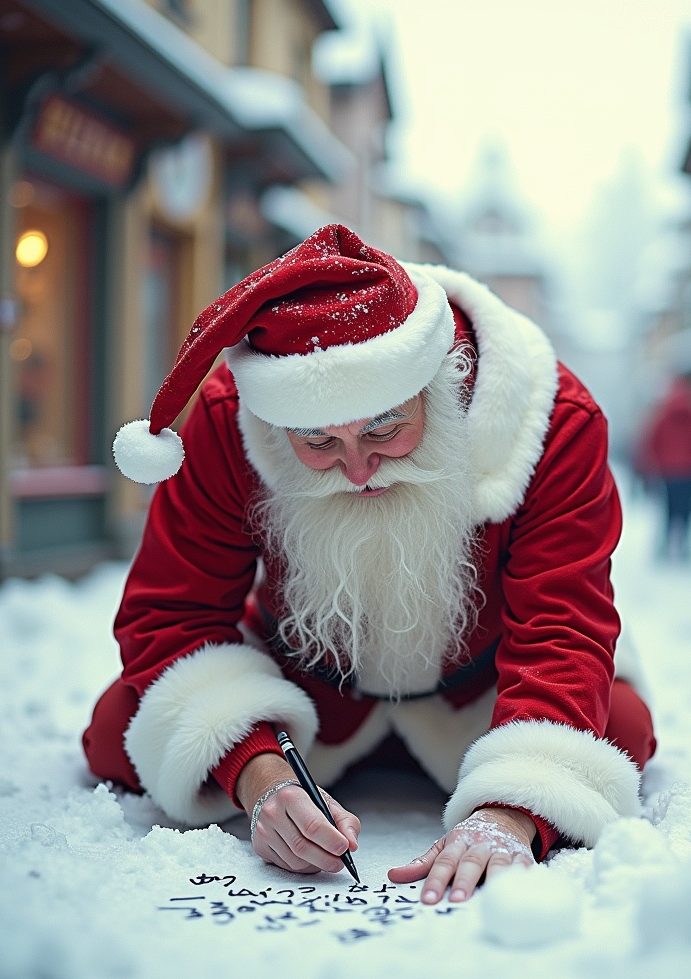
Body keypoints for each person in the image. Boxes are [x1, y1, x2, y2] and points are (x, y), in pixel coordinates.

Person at [84, 224, 656, 905]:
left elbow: (561, 626)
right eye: (318, 441)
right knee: (117, 731)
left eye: (385, 428)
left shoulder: (553, 421)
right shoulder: (228, 419)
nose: (357, 469)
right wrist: (258, 772)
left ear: (445, 380)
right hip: (306, 687)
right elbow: (172, 612)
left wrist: (512, 809)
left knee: (620, 727)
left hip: (484, 692)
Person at [640, 377, 691, 560]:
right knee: (688, 509)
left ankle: (665, 546)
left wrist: (658, 463)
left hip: (668, 472)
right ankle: (686, 546)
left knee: (668, 509)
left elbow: (651, 440)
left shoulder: (663, 415)